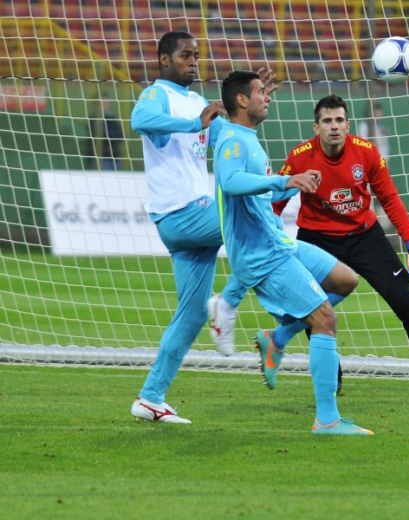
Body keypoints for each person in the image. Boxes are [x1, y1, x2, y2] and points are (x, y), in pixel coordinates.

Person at [273, 94, 409, 399]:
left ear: (348, 125)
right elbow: (276, 202)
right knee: (312, 306)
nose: (334, 127)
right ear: (316, 127)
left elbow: (389, 197)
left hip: (365, 236)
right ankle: (331, 375)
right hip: (316, 239)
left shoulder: (367, 153)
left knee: (406, 304)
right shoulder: (299, 157)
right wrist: (270, 238)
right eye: (327, 121)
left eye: (338, 120)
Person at [215, 71, 372, 435]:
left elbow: (252, 189)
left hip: (278, 242)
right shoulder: (234, 142)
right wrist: (285, 180)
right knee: (324, 319)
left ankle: (278, 339)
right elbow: (231, 182)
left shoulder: (243, 137)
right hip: (263, 255)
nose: (267, 98)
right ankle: (327, 419)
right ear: (241, 100)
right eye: (259, 93)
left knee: (346, 280)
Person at [127, 31, 260, 423]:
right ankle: (230, 302)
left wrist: (252, 105)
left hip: (191, 220)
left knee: (189, 315)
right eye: (185, 55)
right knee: (253, 222)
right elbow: (139, 119)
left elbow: (228, 134)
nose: (193, 61)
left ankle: (151, 397)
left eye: (196, 55)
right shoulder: (157, 94)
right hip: (181, 211)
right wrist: (194, 121)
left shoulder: (201, 102)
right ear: (164, 60)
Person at [357, 102, 392, 232]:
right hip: (368, 168)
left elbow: (385, 149)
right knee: (368, 194)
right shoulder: (364, 126)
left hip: (382, 167)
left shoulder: (381, 127)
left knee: (383, 195)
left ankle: (383, 224)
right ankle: (368, 223)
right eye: (376, 111)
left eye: (379, 111)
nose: (378, 114)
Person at [92, 95, 124, 170]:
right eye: (103, 103)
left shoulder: (113, 119)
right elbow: (98, 135)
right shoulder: (93, 119)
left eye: (107, 103)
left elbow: (121, 136)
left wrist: (109, 135)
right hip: (102, 158)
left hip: (115, 157)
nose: (106, 106)